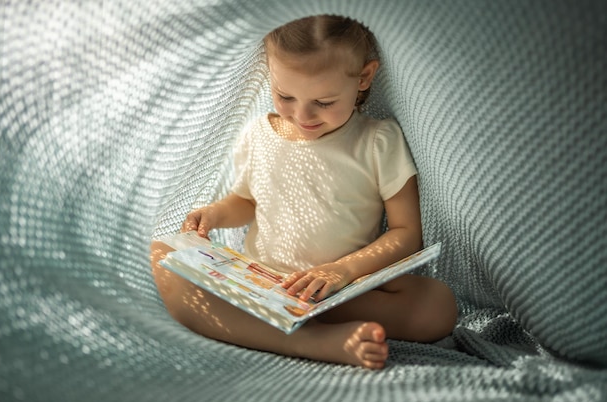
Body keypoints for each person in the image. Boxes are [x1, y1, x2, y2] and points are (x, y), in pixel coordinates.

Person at [151, 15, 457, 369]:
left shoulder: (377, 141)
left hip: (338, 292)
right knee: (161, 254)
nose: (302, 115)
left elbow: (407, 234)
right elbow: (247, 202)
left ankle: (300, 322)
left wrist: (341, 271)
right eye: (285, 96)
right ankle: (316, 342)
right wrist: (216, 213)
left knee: (439, 305)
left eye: (324, 102)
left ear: (364, 77)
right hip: (261, 282)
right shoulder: (259, 134)